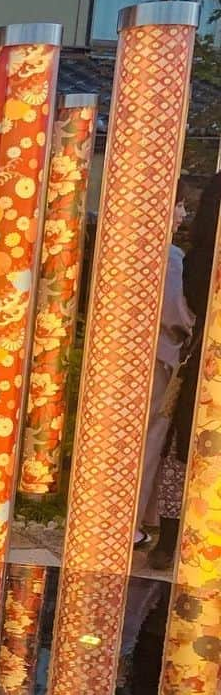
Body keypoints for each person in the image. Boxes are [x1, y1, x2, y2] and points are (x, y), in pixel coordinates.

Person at [148, 171, 221, 571]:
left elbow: (190, 305)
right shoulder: (187, 259)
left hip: (198, 362)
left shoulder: (195, 259)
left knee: (181, 447)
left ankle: (171, 540)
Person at [135, 178, 195, 546]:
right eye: (179, 205)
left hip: (129, 357)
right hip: (161, 359)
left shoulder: (133, 252)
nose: (183, 213)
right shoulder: (171, 258)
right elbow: (178, 314)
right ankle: (135, 523)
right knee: (149, 441)